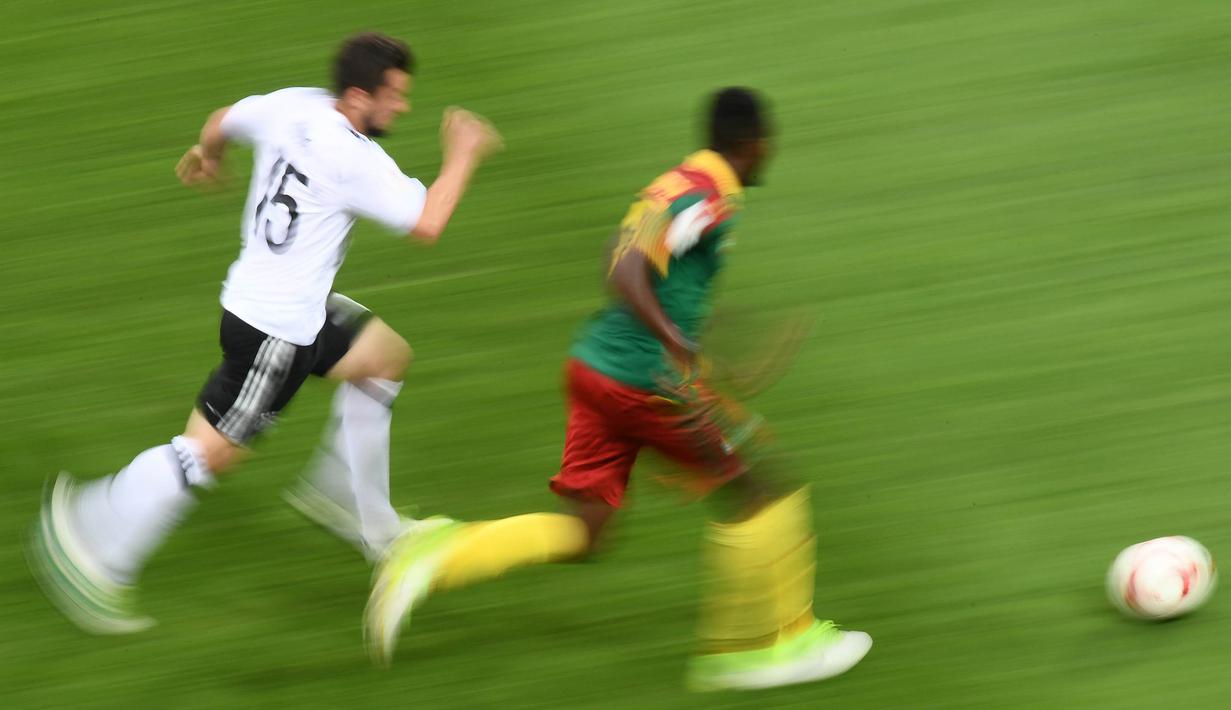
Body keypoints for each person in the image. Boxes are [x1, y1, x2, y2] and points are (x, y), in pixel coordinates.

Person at [363, 87, 871, 692]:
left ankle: (435, 554)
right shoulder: (708, 197)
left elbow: (628, 254)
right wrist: (677, 345)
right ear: (753, 144)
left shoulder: (682, 183)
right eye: (769, 144)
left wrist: (689, 335)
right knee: (764, 495)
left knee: (584, 533)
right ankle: (763, 645)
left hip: (596, 370)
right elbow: (624, 266)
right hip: (644, 383)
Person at [29, 32, 502, 634]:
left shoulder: (295, 104)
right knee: (207, 454)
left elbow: (222, 119)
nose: (402, 108)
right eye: (394, 97)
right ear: (359, 97)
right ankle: (93, 546)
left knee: (384, 358)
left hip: (280, 303)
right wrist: (463, 152)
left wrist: (209, 157)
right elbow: (429, 222)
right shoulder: (354, 159)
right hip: (277, 333)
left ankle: (354, 504)